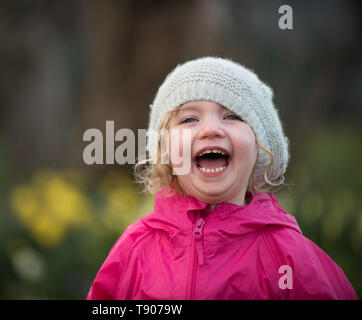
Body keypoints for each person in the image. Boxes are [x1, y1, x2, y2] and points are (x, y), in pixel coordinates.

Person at [86, 57, 358, 299]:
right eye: (189, 119)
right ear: (167, 152)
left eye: (232, 116)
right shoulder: (135, 249)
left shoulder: (290, 257)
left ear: (259, 148)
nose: (211, 129)